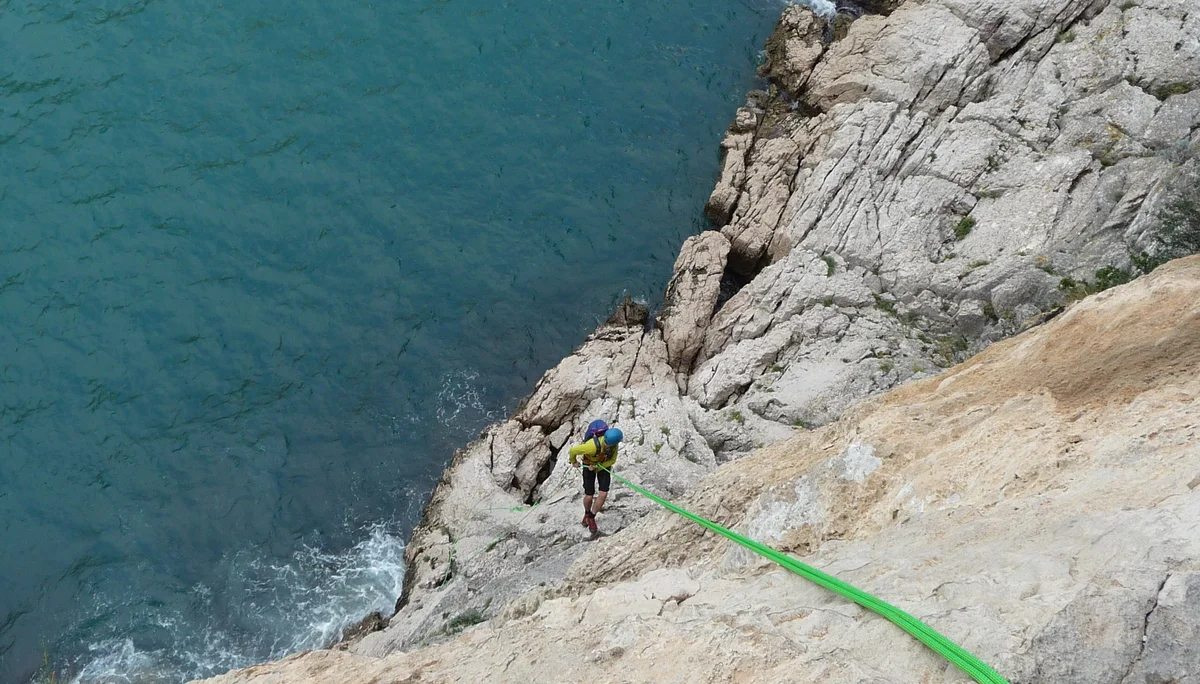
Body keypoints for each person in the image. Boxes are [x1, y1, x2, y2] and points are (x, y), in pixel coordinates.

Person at [568, 420, 623, 535]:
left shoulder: (614, 445)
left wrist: (598, 467)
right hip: (589, 465)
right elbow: (573, 451)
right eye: (608, 444)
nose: (609, 446)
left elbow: (612, 460)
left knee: (603, 493)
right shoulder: (591, 446)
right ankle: (587, 513)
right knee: (589, 495)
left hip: (603, 465)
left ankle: (591, 517)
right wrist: (574, 461)